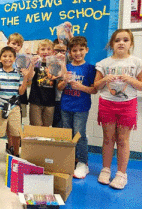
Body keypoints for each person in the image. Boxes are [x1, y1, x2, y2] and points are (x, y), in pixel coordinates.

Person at [94, 29, 142, 189]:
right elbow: (96, 86)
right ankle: (105, 169)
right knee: (108, 139)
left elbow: (141, 86)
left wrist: (132, 81)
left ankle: (121, 174)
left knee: (122, 140)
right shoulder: (104, 63)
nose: (121, 43)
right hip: (107, 104)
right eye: (117, 40)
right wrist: (105, 79)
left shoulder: (136, 62)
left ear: (131, 44)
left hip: (127, 105)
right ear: (112, 44)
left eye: (125, 40)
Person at [0, 46, 35, 172]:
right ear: (0, 58)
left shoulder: (18, 73)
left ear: (14, 58)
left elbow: (21, 91)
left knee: (16, 134)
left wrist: (25, 77)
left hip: (14, 108)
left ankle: (16, 155)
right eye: (4, 56)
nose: (7, 58)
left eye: (10, 56)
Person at [58, 36, 96, 179]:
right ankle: (69, 160)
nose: (78, 53)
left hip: (81, 107)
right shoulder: (66, 67)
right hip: (65, 105)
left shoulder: (90, 68)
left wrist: (81, 87)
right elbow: (60, 87)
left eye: (81, 50)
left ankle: (83, 163)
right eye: (74, 50)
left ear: (86, 50)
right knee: (67, 134)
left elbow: (94, 90)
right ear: (69, 52)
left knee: (79, 135)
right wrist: (65, 81)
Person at [6, 33, 27, 155]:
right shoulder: (3, 57)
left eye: (18, 45)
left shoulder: (23, 59)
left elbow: (27, 78)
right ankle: (10, 145)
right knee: (8, 124)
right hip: (6, 96)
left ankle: (16, 147)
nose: (15, 46)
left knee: (16, 123)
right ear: (8, 43)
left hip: (19, 95)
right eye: (13, 43)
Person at [29, 39, 57, 127]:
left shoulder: (55, 64)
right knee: (36, 127)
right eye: (43, 49)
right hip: (36, 101)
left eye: (49, 49)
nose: (46, 52)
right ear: (38, 52)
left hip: (50, 101)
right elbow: (29, 78)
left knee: (46, 128)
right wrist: (32, 65)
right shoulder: (36, 64)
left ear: (53, 52)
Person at [52, 39, 68, 128]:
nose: (60, 53)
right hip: (51, 99)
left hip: (64, 99)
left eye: (63, 51)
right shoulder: (49, 62)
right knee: (54, 125)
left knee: (62, 125)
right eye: (57, 50)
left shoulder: (69, 62)